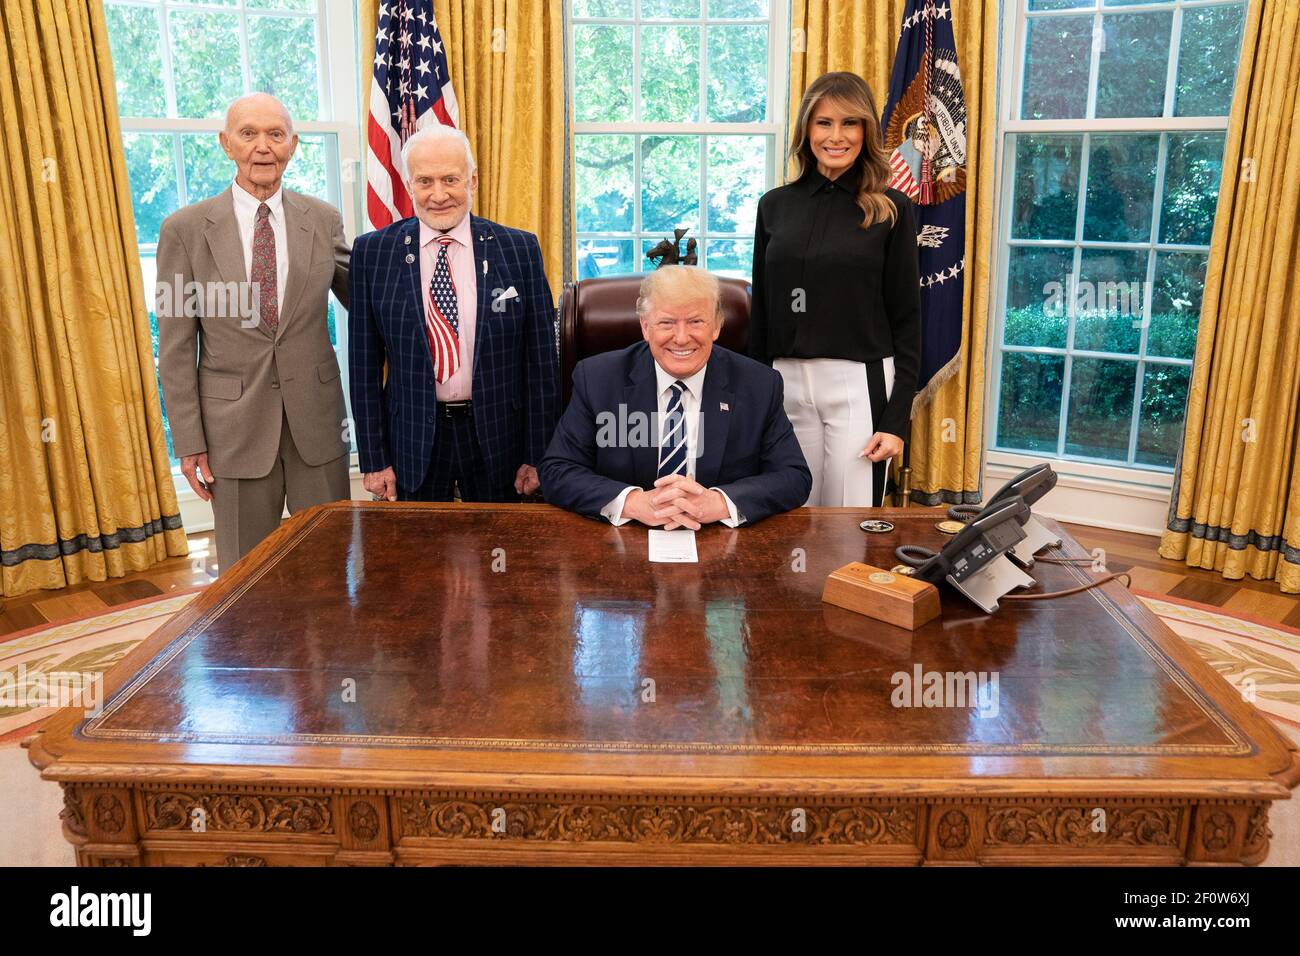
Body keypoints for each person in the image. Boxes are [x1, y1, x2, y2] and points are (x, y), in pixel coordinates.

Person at [157, 93, 351, 574]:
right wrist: (188, 440)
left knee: (329, 564)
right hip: (233, 429)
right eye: (248, 134)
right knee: (245, 578)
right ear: (226, 144)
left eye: (275, 134)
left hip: (317, 422)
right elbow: (176, 345)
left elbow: (368, 304)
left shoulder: (323, 220)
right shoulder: (183, 230)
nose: (263, 147)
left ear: (293, 144)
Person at [349, 125, 559, 502]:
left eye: (450, 179)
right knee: (420, 555)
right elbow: (363, 366)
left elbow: (541, 362)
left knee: (504, 554)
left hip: (499, 439)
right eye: (425, 181)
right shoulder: (373, 253)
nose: (439, 194)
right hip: (412, 442)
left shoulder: (519, 248)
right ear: (409, 186)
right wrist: (374, 458)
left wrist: (537, 454)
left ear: (472, 181)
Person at [749, 71, 922, 507]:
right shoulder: (774, 206)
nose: (836, 136)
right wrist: (754, 395)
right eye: (824, 122)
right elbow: (763, 312)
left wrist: (896, 419)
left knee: (849, 523)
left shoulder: (892, 209)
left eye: (850, 123)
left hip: (857, 383)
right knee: (790, 511)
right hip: (784, 382)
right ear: (806, 129)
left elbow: (907, 319)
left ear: (867, 130)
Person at [540, 266, 810, 527]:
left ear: (716, 326)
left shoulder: (759, 384)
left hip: (721, 542)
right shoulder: (597, 379)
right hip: (623, 538)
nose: (681, 338)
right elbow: (557, 470)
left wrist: (718, 503)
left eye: (695, 322)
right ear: (646, 327)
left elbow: (793, 477)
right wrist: (632, 502)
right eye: (667, 323)